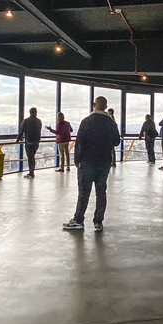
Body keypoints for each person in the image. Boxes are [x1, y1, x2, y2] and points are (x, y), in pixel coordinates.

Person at [63, 96, 121, 232]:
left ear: (94, 104)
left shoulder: (86, 122)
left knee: (84, 192)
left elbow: (79, 143)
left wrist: (77, 161)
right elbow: (117, 141)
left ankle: (78, 220)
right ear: (106, 107)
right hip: (103, 163)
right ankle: (98, 222)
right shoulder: (110, 123)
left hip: (87, 163)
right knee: (101, 192)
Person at [17, 107, 42, 179]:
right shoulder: (39, 121)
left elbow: (21, 131)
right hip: (36, 142)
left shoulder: (26, 121)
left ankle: (31, 173)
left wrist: (18, 139)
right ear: (35, 113)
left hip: (29, 142)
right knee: (32, 157)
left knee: (30, 157)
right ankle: (32, 172)